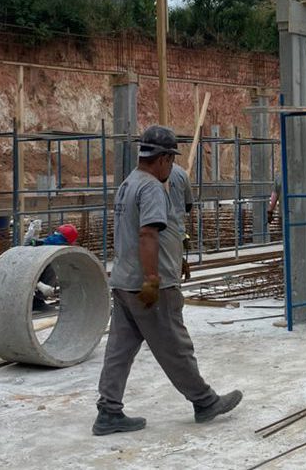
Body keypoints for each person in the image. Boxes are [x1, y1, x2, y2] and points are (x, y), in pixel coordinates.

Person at [93, 125, 242, 436]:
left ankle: (108, 411)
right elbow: (148, 234)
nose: (172, 167)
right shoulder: (150, 188)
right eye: (171, 160)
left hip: (122, 282)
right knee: (175, 345)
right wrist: (152, 279)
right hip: (146, 287)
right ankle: (204, 402)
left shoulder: (127, 184)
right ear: (161, 159)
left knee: (119, 350)